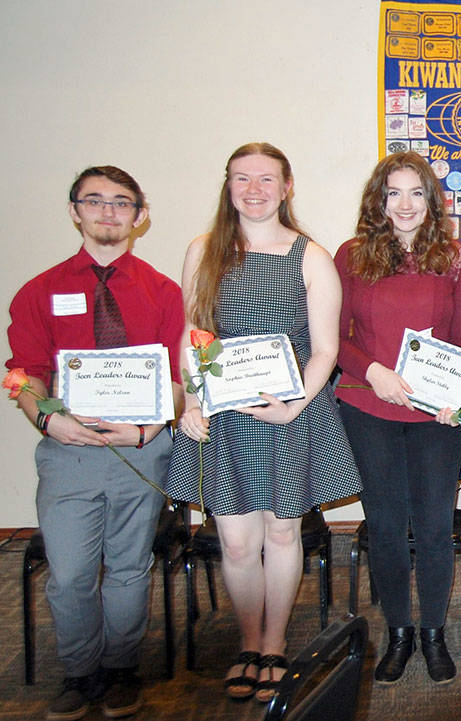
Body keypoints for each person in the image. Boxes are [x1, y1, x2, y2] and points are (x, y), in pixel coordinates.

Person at [165, 143, 362, 702]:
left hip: (291, 413)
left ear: (287, 186)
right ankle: (247, 641)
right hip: (222, 418)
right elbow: (192, 335)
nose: (254, 189)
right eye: (241, 178)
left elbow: (325, 350)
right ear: (227, 185)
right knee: (232, 539)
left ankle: (274, 645)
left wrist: (293, 405)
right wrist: (193, 403)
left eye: (266, 179)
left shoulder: (311, 256)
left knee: (280, 531)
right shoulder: (203, 251)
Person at [6, 167, 183, 720]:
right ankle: (80, 673)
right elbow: (24, 375)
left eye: (121, 203)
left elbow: (180, 379)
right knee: (71, 574)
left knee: (130, 567)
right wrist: (45, 420)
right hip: (68, 453)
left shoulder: (163, 291)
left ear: (140, 213)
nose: (109, 212)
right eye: (95, 201)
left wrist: (150, 427)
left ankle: (121, 669)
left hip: (138, 450)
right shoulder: (40, 291)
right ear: (74, 209)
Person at [333, 152, 461, 684]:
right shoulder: (351, 256)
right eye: (394, 193)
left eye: (416, 193)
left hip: (435, 417)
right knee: (388, 528)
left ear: (431, 201)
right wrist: (372, 370)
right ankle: (398, 633)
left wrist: (457, 398)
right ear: (379, 200)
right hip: (368, 406)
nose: (405, 204)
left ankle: (434, 634)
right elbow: (336, 339)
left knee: (436, 528)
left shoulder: (457, 258)